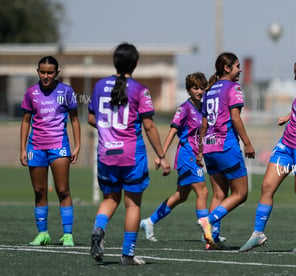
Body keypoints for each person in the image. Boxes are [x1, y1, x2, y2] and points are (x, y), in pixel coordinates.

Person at [88, 43, 171, 265]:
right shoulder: (140, 90)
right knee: (132, 204)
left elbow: (91, 118)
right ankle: (128, 254)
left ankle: (99, 228)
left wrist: (109, 129)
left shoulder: (98, 86)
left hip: (106, 153)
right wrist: (162, 156)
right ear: (135, 63)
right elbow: (149, 126)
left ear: (114, 62)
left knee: (109, 198)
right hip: (132, 155)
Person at [239, 56, 296, 252]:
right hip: (286, 145)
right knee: (266, 186)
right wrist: (288, 116)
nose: (294, 78)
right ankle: (258, 234)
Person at [139, 72, 209, 242]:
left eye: (202, 87)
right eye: (195, 88)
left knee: (181, 196)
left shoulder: (204, 107)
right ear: (188, 90)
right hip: (187, 155)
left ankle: (149, 221)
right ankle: (207, 233)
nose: (199, 91)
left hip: (195, 155)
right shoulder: (184, 108)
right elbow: (172, 132)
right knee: (203, 191)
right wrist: (161, 155)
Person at [196, 52, 255, 250]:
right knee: (241, 193)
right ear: (227, 69)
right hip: (226, 146)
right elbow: (236, 118)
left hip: (210, 147)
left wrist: (200, 150)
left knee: (219, 195)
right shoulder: (233, 87)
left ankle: (211, 240)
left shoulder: (209, 90)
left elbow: (203, 124)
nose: (240, 70)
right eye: (237, 66)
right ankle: (209, 221)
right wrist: (247, 143)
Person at [20, 56, 80, 247]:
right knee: (39, 191)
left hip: (59, 146)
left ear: (57, 73)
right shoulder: (31, 92)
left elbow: (75, 119)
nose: (46, 76)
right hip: (35, 147)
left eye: (50, 72)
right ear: (38, 71)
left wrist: (77, 145)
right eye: (42, 72)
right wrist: (23, 148)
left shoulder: (66, 91)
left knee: (63, 190)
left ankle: (68, 234)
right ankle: (43, 233)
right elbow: (26, 120)